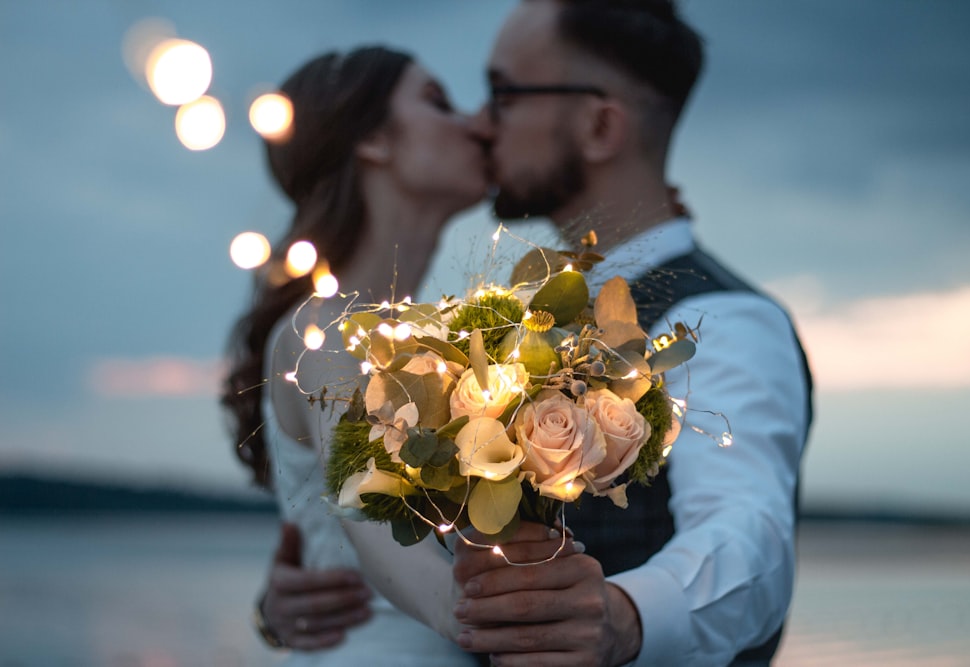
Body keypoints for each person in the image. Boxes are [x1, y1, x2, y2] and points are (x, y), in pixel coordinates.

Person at [257, 1, 812, 664]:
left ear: (600, 126)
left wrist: (623, 616)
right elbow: (369, 506)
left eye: (503, 94)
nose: (482, 122)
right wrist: (298, 594)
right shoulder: (505, 320)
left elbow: (747, 534)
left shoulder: (717, 319)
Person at [221, 45, 487, 664]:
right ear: (372, 140)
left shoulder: (426, 335)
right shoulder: (326, 327)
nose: (475, 123)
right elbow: (369, 512)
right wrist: (511, 620)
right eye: (437, 102)